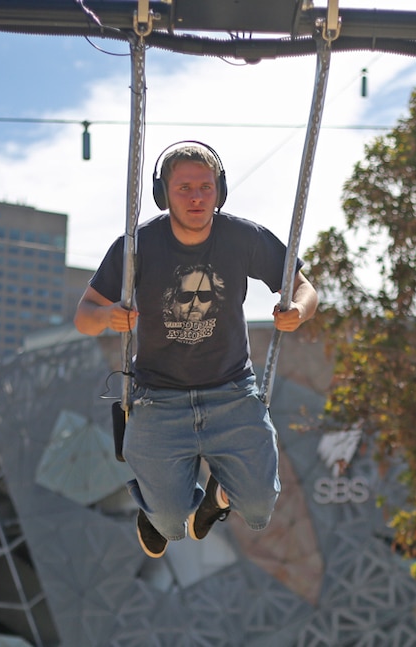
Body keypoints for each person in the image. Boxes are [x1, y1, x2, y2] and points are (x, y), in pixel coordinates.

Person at [74, 142, 318, 558]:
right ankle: (157, 508)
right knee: (170, 524)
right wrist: (109, 314)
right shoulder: (137, 246)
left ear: (219, 191)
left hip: (231, 390)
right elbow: (84, 314)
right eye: (184, 187)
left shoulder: (243, 236)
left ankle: (217, 498)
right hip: (158, 397)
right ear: (163, 194)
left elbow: (305, 287)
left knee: (258, 508)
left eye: (205, 187)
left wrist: (298, 310)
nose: (196, 197)